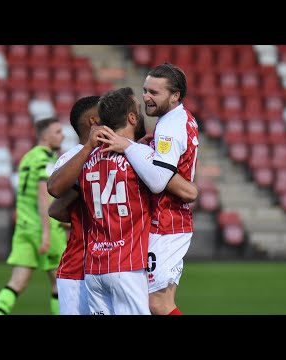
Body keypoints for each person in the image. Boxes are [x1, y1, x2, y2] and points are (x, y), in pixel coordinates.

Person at [47, 87, 198, 315]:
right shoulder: (138, 156)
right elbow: (189, 192)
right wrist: (149, 156)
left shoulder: (85, 159)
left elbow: (56, 206)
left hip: (94, 266)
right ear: (130, 118)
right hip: (124, 263)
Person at [95, 63, 199, 315]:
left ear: (175, 96)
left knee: (158, 304)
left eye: (154, 92)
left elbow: (158, 180)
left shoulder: (170, 128)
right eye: (145, 90)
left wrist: (130, 147)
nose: (146, 97)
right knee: (148, 303)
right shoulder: (175, 120)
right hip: (165, 221)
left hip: (167, 223)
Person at [0, 117, 66, 315]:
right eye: (57, 132)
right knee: (61, 282)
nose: (62, 135)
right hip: (44, 228)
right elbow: (43, 195)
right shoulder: (45, 159)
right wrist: (47, 233)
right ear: (45, 135)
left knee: (17, 283)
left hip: (23, 227)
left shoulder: (27, 157)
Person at [47, 95, 101, 315]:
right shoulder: (69, 160)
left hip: (114, 263)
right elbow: (55, 197)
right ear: (94, 121)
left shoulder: (120, 151)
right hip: (80, 264)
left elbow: (56, 210)